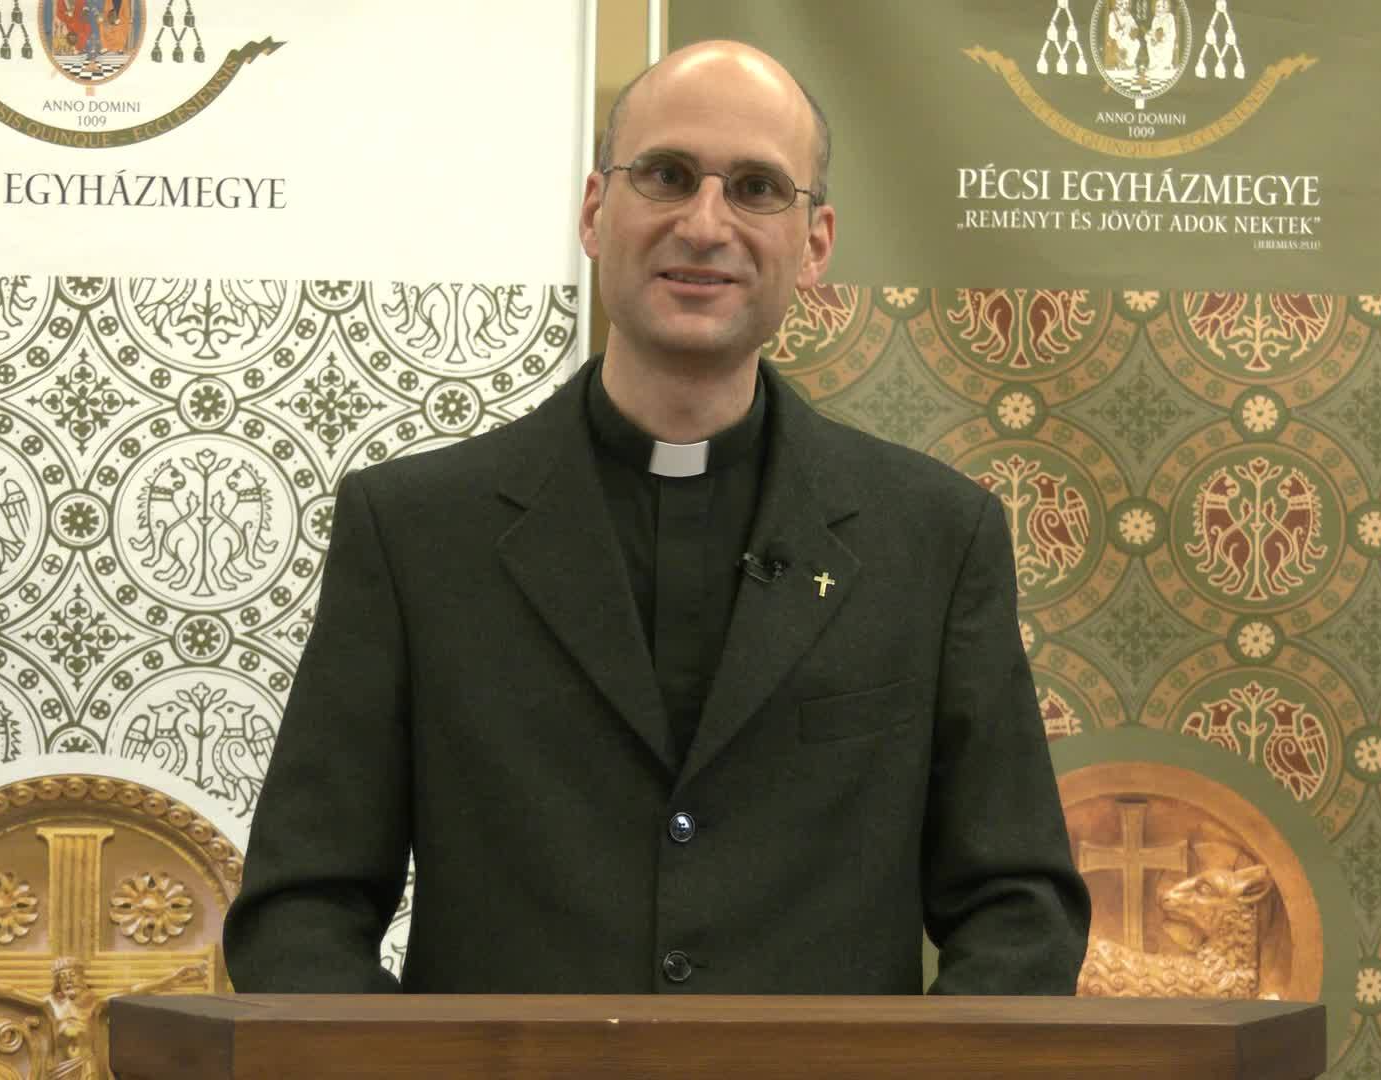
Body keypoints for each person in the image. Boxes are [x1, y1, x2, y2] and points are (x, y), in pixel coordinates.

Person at [222, 39, 1089, 995]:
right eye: (667, 175)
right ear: (596, 211)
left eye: (757, 188)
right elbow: (301, 914)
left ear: (816, 244)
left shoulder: (935, 538)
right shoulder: (413, 532)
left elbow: (1019, 912)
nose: (705, 225)